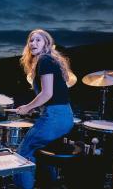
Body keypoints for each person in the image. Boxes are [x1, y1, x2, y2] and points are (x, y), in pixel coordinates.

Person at [14, 29, 74, 189]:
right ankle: (50, 184)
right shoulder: (50, 60)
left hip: (55, 117)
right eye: (31, 40)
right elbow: (52, 96)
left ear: (46, 43)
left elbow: (47, 93)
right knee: (41, 152)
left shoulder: (45, 60)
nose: (33, 43)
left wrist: (27, 108)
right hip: (64, 116)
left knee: (22, 154)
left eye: (38, 40)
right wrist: (35, 108)